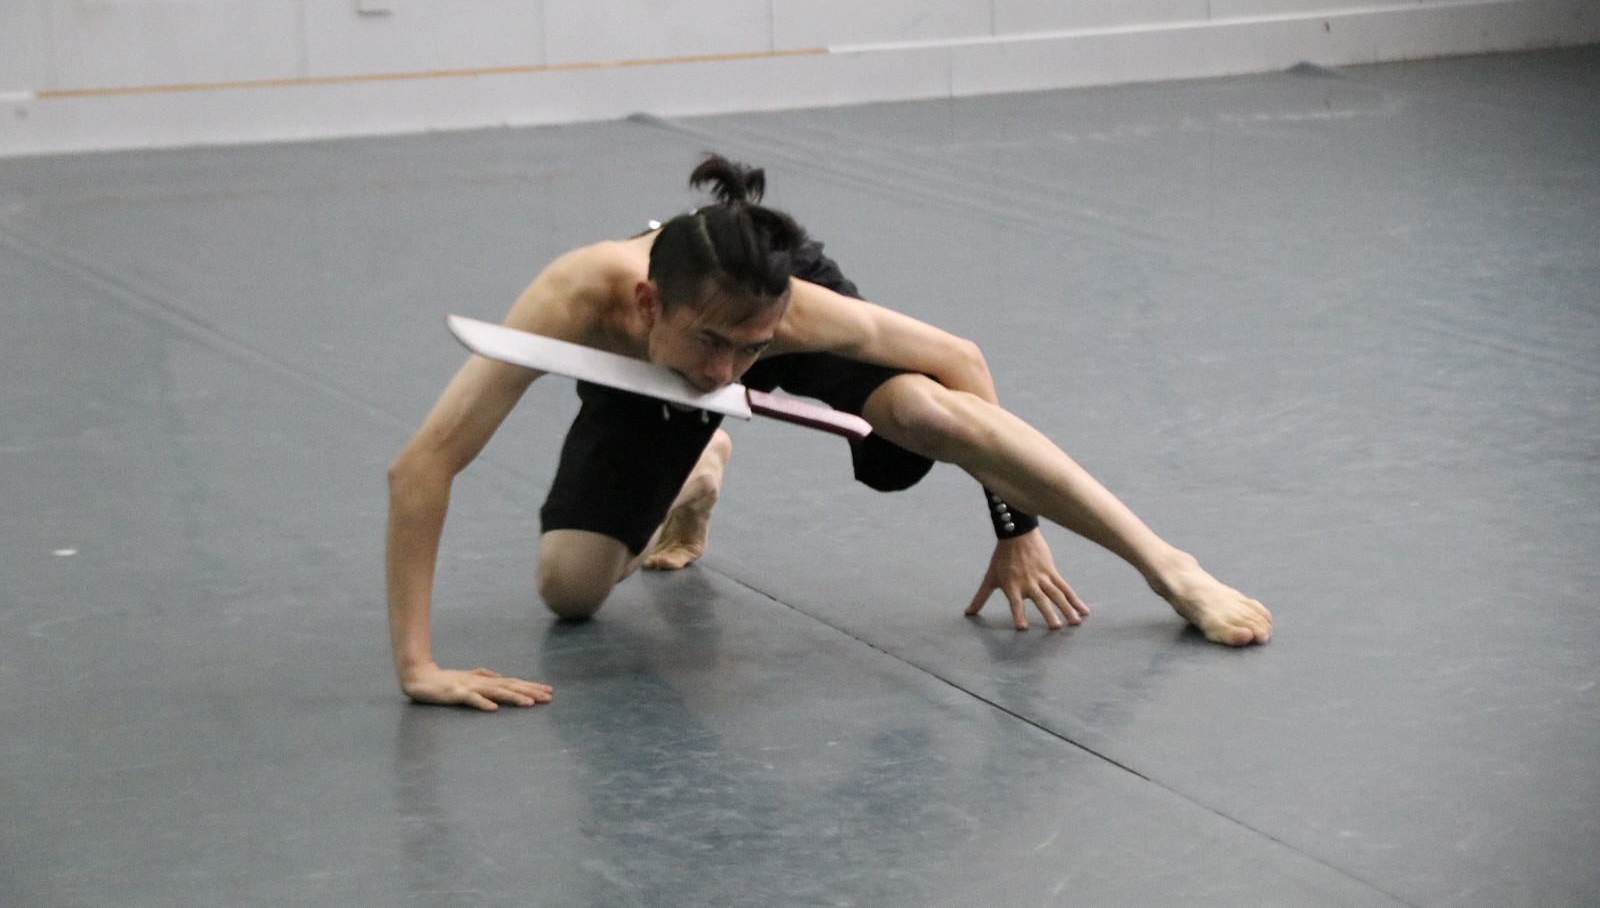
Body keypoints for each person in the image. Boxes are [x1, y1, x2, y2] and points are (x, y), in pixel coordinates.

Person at [385, 154, 1272, 711]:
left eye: (750, 350)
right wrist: (420, 668)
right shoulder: (572, 300)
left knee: (924, 414)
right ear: (649, 305)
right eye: (713, 344)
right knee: (570, 591)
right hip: (648, 375)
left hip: (749, 321)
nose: (730, 371)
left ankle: (1172, 567)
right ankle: (698, 462)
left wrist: (1016, 526)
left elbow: (962, 361)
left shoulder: (799, 312)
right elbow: (423, 467)